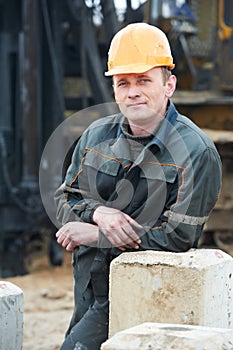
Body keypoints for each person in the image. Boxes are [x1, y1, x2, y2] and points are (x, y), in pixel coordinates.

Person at [55, 22, 222, 350]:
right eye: (123, 83)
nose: (133, 92)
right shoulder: (95, 137)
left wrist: (94, 234)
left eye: (144, 80)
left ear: (169, 85)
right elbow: (66, 200)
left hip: (154, 294)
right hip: (90, 289)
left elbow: (176, 237)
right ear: (115, 90)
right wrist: (99, 213)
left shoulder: (195, 151)